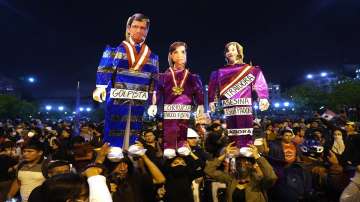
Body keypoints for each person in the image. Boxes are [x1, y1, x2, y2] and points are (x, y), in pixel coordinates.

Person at [93, 13, 159, 150]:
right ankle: (114, 145)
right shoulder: (116, 50)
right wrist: (100, 86)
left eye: (143, 27)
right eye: (135, 26)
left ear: (147, 30)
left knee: (136, 117)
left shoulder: (152, 56)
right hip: (119, 90)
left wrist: (154, 101)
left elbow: (154, 79)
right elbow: (105, 67)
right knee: (116, 116)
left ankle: (133, 141)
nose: (139, 30)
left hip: (139, 93)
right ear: (128, 28)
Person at [208, 42, 269, 150]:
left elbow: (260, 82)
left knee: (245, 123)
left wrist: (263, 97)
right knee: (232, 126)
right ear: (225, 54)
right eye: (228, 50)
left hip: (244, 102)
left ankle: (246, 145)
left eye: (233, 49)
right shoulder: (220, 72)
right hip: (229, 104)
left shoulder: (250, 70)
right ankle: (234, 146)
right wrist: (212, 100)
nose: (230, 52)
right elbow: (213, 86)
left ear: (239, 52)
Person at [154, 41, 204, 158]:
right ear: (171, 55)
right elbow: (158, 91)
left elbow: (198, 91)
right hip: (170, 108)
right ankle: (169, 146)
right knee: (170, 127)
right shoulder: (164, 76)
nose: (180, 55)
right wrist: (154, 104)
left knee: (183, 126)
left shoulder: (191, 76)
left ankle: (182, 143)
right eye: (176, 52)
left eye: (183, 52)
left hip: (184, 109)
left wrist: (201, 104)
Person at [204, 142, 277, 202]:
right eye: (239, 163)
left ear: (252, 166)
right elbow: (208, 170)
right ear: (235, 165)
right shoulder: (230, 178)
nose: (242, 165)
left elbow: (271, 177)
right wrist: (224, 155)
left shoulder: (258, 181)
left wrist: (257, 156)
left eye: (246, 162)